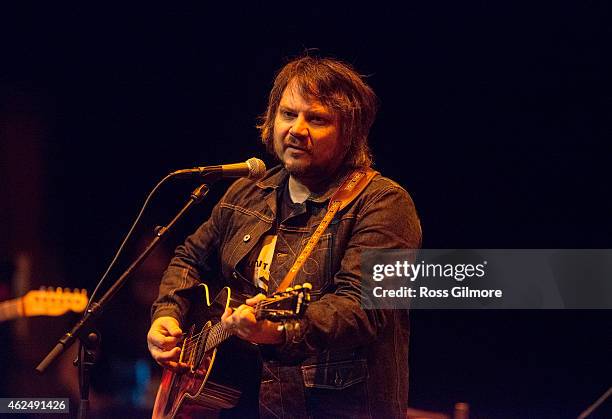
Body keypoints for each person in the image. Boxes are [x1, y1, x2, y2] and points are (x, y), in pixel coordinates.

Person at [147, 55, 422, 418]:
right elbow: (189, 257)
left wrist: (279, 330)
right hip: (243, 402)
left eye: (317, 119)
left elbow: (363, 309)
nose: (296, 129)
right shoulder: (248, 192)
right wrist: (167, 315)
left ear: (350, 133)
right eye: (288, 114)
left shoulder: (383, 203)